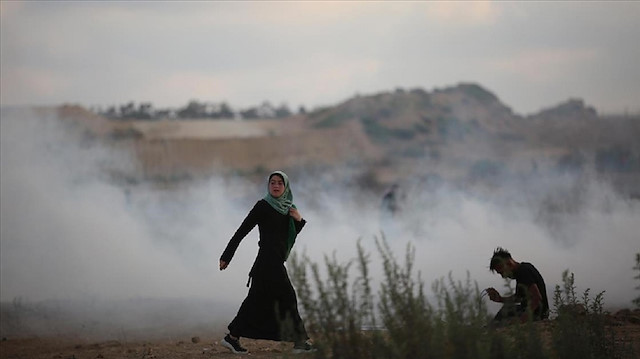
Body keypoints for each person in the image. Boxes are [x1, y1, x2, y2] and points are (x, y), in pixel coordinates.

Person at [219, 171, 316, 354]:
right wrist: (227, 256)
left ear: (286, 186)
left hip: (273, 262)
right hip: (267, 262)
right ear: (268, 185)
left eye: (280, 183)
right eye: (273, 182)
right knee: (288, 297)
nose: (276, 186)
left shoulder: (288, 207)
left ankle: (231, 338)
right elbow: (242, 231)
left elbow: (288, 237)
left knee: (255, 301)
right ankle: (300, 342)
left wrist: (299, 220)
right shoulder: (263, 206)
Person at [485, 247, 549, 325]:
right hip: (528, 310)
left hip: (537, 314)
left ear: (509, 263)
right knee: (505, 310)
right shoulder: (521, 271)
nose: (503, 276)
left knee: (498, 324)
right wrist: (500, 299)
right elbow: (518, 298)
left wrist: (521, 320)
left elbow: (537, 298)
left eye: (502, 272)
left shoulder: (523, 271)